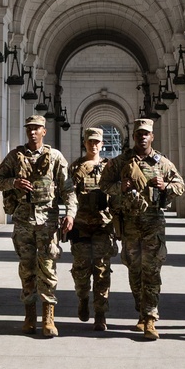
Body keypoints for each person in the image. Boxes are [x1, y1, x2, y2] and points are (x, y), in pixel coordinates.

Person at [101, 117, 184, 341]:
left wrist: (166, 186)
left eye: (146, 133)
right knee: (134, 271)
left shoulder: (162, 163)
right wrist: (121, 186)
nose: (142, 137)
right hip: (129, 224)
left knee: (152, 271)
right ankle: (141, 308)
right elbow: (104, 185)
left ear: (152, 136)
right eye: (139, 133)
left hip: (153, 223)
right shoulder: (120, 162)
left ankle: (150, 319)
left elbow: (180, 185)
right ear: (134, 136)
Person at [0, 113, 76, 337]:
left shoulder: (56, 157)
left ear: (44, 131)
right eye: (29, 128)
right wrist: (14, 182)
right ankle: (29, 316)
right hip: (23, 221)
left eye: (36, 128)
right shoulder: (15, 156)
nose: (32, 131)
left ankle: (49, 317)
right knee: (27, 269)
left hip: (48, 222)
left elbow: (67, 188)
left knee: (48, 268)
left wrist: (70, 213)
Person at [68, 126, 116, 331]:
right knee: (80, 270)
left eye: (97, 142)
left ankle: (100, 313)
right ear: (84, 143)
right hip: (80, 226)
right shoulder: (75, 167)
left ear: (102, 144)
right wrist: (69, 215)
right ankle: (82, 298)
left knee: (102, 271)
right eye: (90, 141)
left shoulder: (110, 167)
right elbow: (69, 192)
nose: (94, 145)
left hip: (103, 226)